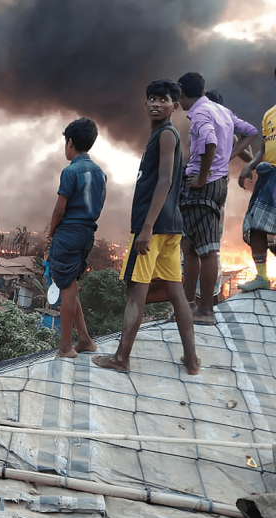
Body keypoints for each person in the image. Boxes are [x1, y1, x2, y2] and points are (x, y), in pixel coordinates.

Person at [93, 79, 200, 375]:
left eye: (162, 99)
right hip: (172, 225)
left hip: (154, 226)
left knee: (136, 290)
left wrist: (147, 226)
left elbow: (165, 181)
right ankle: (191, 360)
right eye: (151, 98)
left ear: (174, 106)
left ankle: (121, 358)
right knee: (176, 290)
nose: (155, 103)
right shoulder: (166, 136)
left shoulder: (166, 135)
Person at [177, 72, 258, 324]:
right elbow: (251, 131)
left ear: (182, 92)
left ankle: (204, 309)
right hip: (214, 183)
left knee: (206, 250)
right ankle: (189, 305)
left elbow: (210, 143)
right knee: (190, 246)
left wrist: (203, 177)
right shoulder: (222, 111)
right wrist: (230, 157)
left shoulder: (202, 113)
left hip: (204, 185)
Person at [47, 117, 106, 358]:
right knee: (70, 285)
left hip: (69, 232)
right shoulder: (101, 173)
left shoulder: (70, 171)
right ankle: (84, 340)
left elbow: (60, 208)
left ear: (70, 142)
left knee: (66, 288)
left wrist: (51, 232)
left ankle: (65, 346)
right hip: (87, 232)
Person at [238, 66, 276, 291]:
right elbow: (264, 145)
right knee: (255, 225)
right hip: (269, 176)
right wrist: (249, 165)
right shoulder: (269, 115)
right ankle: (262, 276)